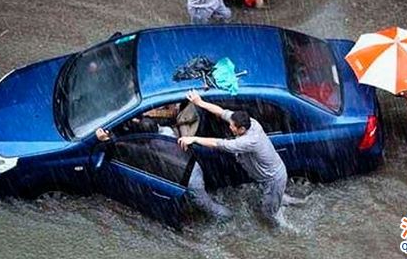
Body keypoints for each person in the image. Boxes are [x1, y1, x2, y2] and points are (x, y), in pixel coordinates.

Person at [95, 108, 231, 222]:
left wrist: (107, 140)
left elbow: (121, 149)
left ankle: (226, 217)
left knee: (205, 204)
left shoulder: (149, 149)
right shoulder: (165, 131)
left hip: (188, 176)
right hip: (192, 165)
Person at [177, 89, 289, 226]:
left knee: (269, 214)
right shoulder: (250, 123)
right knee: (274, 198)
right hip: (269, 175)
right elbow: (220, 111)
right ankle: (283, 200)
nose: (229, 127)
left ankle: (287, 231)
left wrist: (193, 138)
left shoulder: (248, 141)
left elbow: (217, 143)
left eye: (232, 126)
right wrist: (199, 102)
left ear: (241, 129)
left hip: (273, 178)